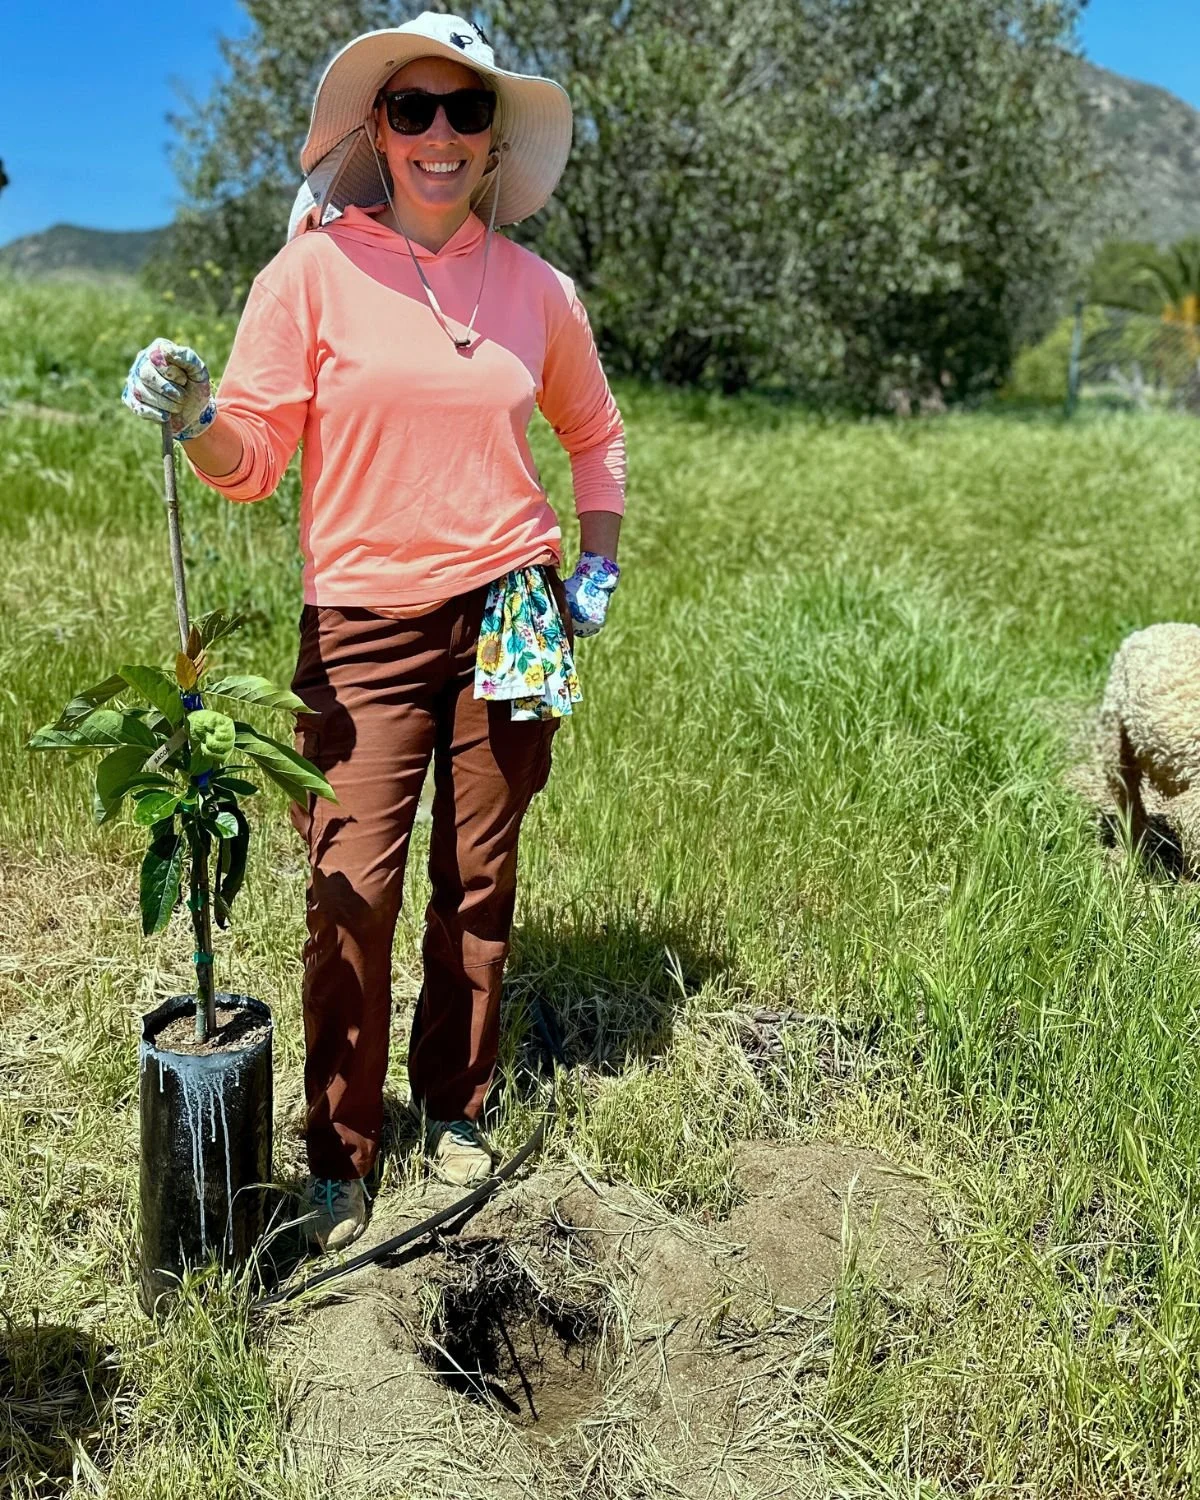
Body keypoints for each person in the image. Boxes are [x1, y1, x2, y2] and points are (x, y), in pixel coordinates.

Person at [121, 12, 626, 1253]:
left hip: (512, 605)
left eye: (466, 111)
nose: (441, 136)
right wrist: (195, 417)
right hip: (362, 622)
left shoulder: (538, 290)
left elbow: (595, 436)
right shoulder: (308, 274)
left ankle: (454, 1106)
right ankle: (341, 1152)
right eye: (414, 111)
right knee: (351, 886)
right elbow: (254, 464)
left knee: (484, 874)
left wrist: (598, 557)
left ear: (494, 136)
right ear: (376, 132)